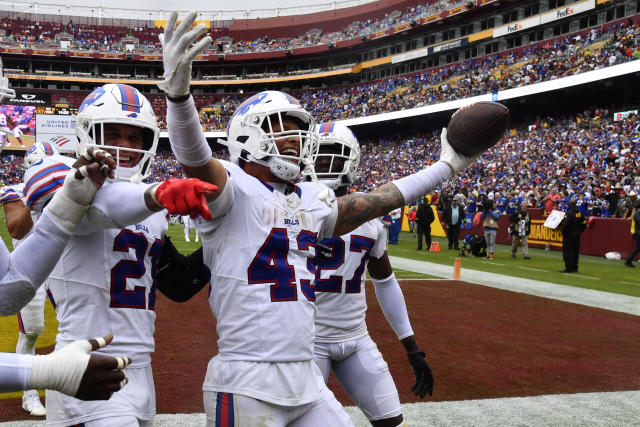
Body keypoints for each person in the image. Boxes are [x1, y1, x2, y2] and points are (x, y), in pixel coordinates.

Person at [158, 11, 481, 426]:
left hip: (305, 377)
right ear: (247, 136)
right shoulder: (232, 189)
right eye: (280, 129)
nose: (294, 140)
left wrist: (446, 166)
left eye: (298, 130)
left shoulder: (311, 199)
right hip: (247, 378)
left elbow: (379, 200)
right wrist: (179, 99)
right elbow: (195, 159)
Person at [42, 83, 216, 427]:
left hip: (140, 367)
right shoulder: (66, 186)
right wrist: (156, 195)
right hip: (88, 362)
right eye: (113, 134)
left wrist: (221, 239)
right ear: (87, 134)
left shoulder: (150, 207)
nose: (123, 146)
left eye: (134, 138)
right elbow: (102, 207)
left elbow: (177, 284)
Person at [304, 122, 433, 426]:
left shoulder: (370, 216)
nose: (323, 162)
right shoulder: (293, 205)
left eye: (331, 154)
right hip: (306, 341)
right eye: (318, 155)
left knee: (392, 422)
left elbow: (385, 282)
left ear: (352, 160)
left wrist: (412, 348)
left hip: (355, 337)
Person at [560, 200, 587, 273]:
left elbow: (565, 224)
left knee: (567, 252)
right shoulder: (579, 213)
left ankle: (568, 268)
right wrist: (579, 231)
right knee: (575, 252)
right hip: (577, 235)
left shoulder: (569, 213)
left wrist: (564, 233)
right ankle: (575, 267)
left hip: (569, 236)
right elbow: (584, 223)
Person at [624, 199, 640, 267]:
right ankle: (628, 261)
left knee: (638, 248)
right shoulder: (636, 213)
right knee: (637, 248)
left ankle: (628, 261)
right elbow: (639, 221)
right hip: (638, 233)